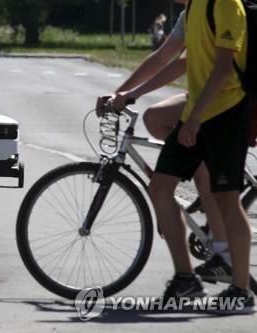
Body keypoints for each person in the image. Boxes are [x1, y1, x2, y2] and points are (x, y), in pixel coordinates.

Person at [96, 2, 232, 284]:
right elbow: (162, 57)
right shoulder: (189, 14)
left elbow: (182, 64)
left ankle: (222, 252)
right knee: (155, 118)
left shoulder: (215, 8)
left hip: (225, 100)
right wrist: (119, 93)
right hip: (200, 96)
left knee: (192, 170)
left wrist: (131, 94)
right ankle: (199, 169)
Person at [148, 0, 254, 313]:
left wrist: (194, 119)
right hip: (197, 112)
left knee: (227, 201)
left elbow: (223, 68)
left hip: (226, 115)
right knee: (159, 187)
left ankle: (241, 292)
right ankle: (187, 281)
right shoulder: (194, 8)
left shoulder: (226, 5)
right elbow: (177, 59)